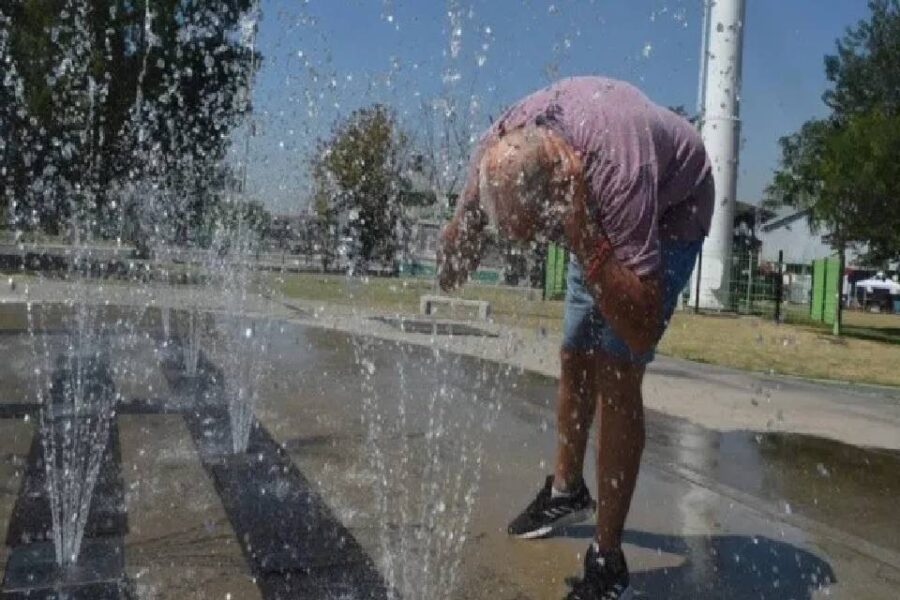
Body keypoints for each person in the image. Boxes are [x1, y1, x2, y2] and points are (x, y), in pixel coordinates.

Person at [437, 76, 714, 600]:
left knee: (617, 363)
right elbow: (451, 266)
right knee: (575, 351)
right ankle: (567, 491)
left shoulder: (618, 174)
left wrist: (583, 231)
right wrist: (456, 244)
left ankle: (607, 561)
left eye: (541, 235)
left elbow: (638, 324)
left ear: (561, 199)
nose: (538, 247)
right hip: (585, 195)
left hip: (677, 201)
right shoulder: (495, 150)